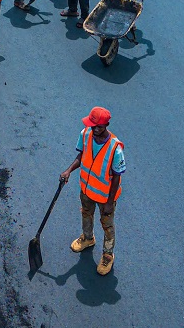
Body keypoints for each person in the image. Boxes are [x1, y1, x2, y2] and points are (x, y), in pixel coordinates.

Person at [59, 106, 125, 276]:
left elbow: (116, 177)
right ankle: (88, 238)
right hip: (87, 189)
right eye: (93, 126)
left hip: (105, 197)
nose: (95, 130)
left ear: (107, 125)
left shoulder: (115, 148)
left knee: (107, 226)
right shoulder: (85, 134)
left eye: (99, 127)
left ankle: (108, 255)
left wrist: (110, 202)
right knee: (86, 214)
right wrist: (68, 171)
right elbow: (81, 156)